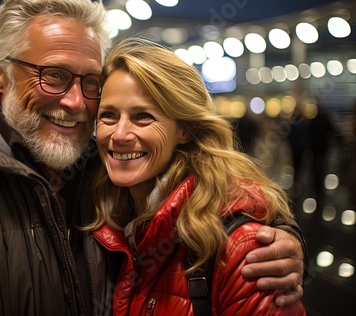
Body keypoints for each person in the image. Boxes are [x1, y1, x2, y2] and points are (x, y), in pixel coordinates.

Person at [0, 0, 304, 316]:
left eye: (90, 83)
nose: (74, 102)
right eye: (53, 76)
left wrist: (273, 237)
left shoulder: (99, 175)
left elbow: (210, 200)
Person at [85, 37, 306, 315]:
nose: (119, 134)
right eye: (108, 115)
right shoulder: (105, 212)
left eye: (143, 116)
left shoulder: (246, 251)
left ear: (184, 129)